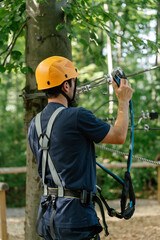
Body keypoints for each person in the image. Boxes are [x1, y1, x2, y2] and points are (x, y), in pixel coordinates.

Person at [28, 56, 133, 240]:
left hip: (47, 218)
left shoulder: (34, 124)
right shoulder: (77, 116)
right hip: (75, 219)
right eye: (74, 81)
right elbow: (119, 136)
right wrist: (123, 101)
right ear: (66, 86)